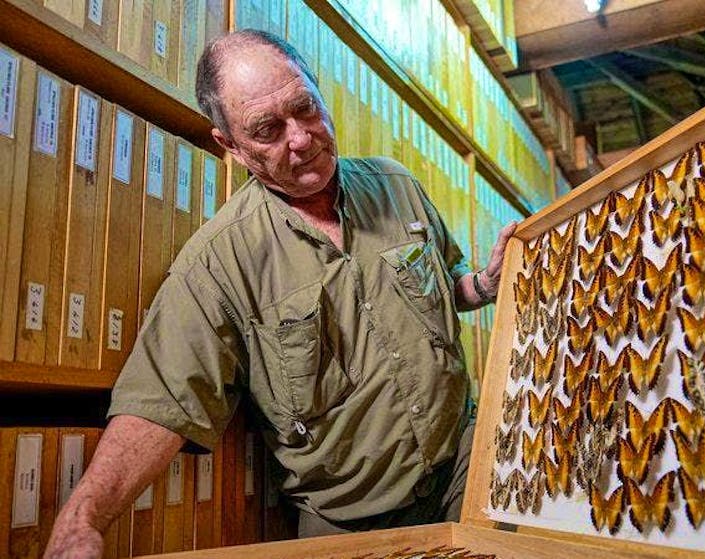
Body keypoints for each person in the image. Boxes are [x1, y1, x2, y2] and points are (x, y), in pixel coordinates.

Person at [44, 29, 516, 558]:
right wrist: (83, 519)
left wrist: (484, 285)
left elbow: (441, 289)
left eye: (305, 109)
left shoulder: (396, 183)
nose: (300, 138)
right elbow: (161, 402)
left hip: (468, 472)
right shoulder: (221, 261)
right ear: (231, 146)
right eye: (268, 129)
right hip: (356, 523)